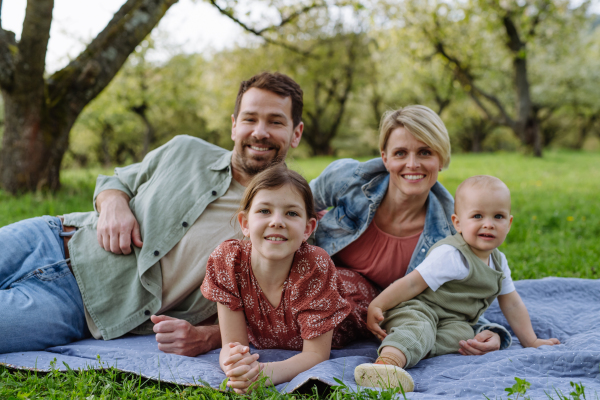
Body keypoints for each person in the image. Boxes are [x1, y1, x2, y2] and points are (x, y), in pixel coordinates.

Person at [0, 72, 306, 355]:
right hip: (52, 237)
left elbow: (269, 314)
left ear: (296, 133)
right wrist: (113, 205)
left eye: (276, 122)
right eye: (250, 119)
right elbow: (116, 181)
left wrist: (209, 336)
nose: (260, 132)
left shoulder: (288, 222)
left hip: (78, 307)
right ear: (234, 125)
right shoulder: (185, 149)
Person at [309, 105, 511, 357]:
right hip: (312, 267)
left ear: (441, 159)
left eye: (425, 152)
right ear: (385, 157)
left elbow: (457, 300)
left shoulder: (455, 229)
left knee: (343, 305)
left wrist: (490, 332)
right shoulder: (350, 179)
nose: (412, 164)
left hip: (365, 302)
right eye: (400, 153)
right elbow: (292, 202)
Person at [353, 175, 561, 391]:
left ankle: (411, 347)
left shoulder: (499, 262)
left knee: (465, 338)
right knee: (419, 328)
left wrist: (531, 341)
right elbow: (412, 284)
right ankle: (385, 366)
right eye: (477, 216)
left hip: (450, 320)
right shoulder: (451, 254)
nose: (488, 224)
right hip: (416, 309)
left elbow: (512, 303)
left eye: (498, 216)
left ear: (508, 223)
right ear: (458, 223)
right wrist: (377, 305)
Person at [200, 163, 377, 394]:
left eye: (291, 213)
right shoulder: (228, 261)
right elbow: (233, 346)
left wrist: (263, 374)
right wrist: (235, 368)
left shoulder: (316, 266)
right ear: (244, 223)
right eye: (264, 211)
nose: (277, 221)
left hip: (354, 298)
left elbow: (316, 355)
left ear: (307, 228)